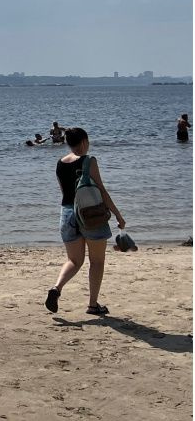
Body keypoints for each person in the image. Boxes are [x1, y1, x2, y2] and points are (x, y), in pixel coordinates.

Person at [45, 127, 125, 316]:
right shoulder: (89, 161)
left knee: (74, 260)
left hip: (67, 214)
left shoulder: (60, 163)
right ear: (84, 142)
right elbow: (102, 191)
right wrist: (118, 215)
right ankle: (93, 305)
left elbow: (65, 193)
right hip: (91, 215)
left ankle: (56, 288)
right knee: (97, 261)